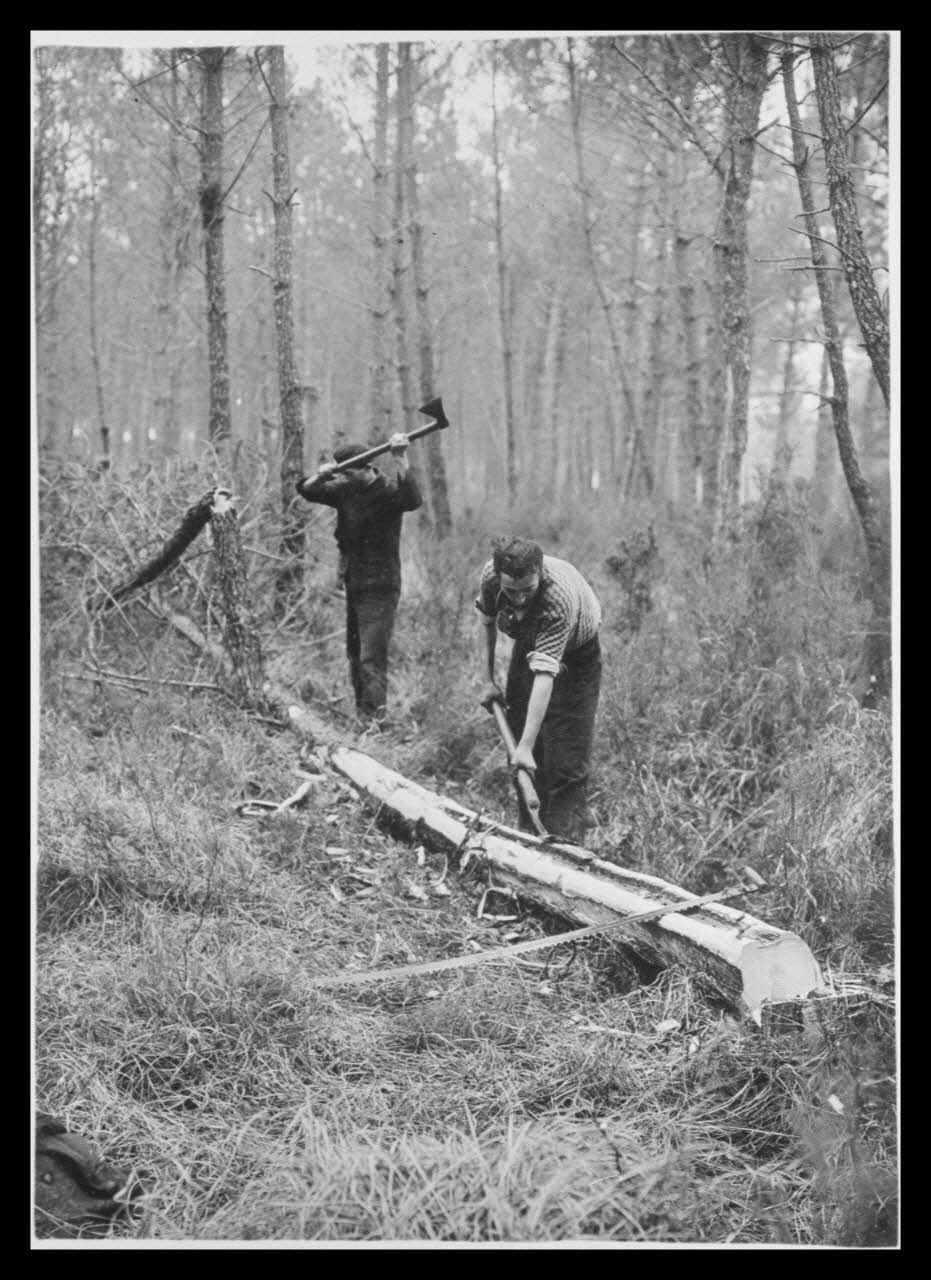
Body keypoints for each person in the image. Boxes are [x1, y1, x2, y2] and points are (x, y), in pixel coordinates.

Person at [476, 535, 602, 842]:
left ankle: (567, 844)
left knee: (566, 756)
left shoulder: (557, 597)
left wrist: (524, 747)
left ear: (540, 573)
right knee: (522, 739)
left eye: (527, 590)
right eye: (511, 591)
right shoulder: (490, 577)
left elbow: (545, 675)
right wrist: (488, 680)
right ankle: (530, 833)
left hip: (577, 657)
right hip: (531, 643)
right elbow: (487, 623)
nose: (519, 599)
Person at [297, 433, 423, 722]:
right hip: (354, 584)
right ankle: (362, 716)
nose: (342, 479)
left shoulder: (387, 491)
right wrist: (321, 476)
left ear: (366, 469)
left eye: (348, 473)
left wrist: (400, 457)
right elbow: (307, 490)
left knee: (371, 658)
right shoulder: (346, 489)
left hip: (381, 587)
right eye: (340, 475)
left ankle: (375, 723)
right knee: (355, 655)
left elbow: (412, 499)